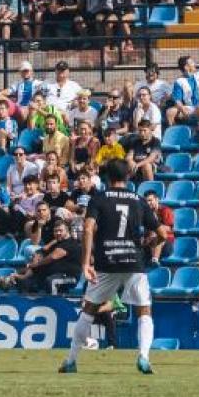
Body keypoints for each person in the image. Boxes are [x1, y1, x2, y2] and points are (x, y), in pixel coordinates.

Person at [59, 158, 166, 375]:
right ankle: (144, 357)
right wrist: (150, 243)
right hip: (134, 263)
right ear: (128, 176)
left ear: (107, 176)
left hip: (106, 263)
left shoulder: (99, 198)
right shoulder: (138, 200)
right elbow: (162, 233)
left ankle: (71, 361)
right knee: (144, 310)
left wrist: (85, 263)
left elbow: (88, 228)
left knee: (88, 310)